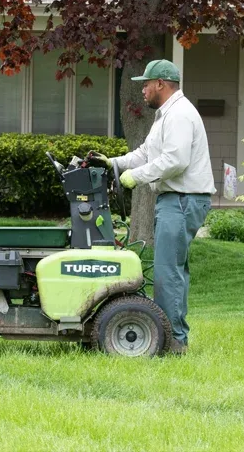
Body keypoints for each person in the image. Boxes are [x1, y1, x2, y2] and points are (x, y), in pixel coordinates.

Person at [91, 59, 215, 355]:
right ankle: (175, 337)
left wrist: (136, 177)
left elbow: (175, 160)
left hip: (182, 200)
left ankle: (171, 342)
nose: (143, 89)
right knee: (172, 271)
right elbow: (147, 152)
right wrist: (115, 164)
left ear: (161, 83)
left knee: (167, 272)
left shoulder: (180, 115)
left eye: (146, 83)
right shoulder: (166, 115)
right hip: (176, 200)